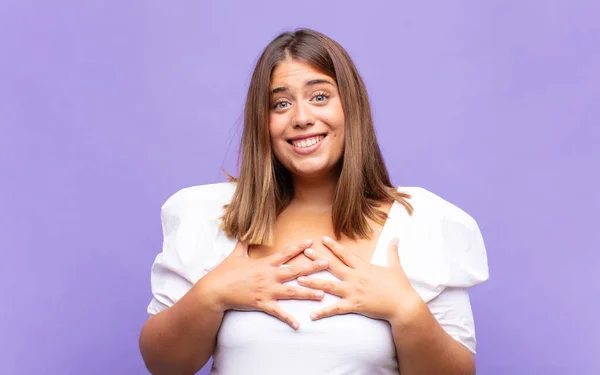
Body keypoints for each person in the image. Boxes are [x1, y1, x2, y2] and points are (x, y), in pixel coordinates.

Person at [138, 28, 489, 375]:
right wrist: (212, 294)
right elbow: (165, 365)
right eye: (281, 103)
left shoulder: (421, 223)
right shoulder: (211, 216)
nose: (302, 118)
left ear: (351, 106)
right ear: (263, 122)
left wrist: (406, 310)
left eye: (319, 97)